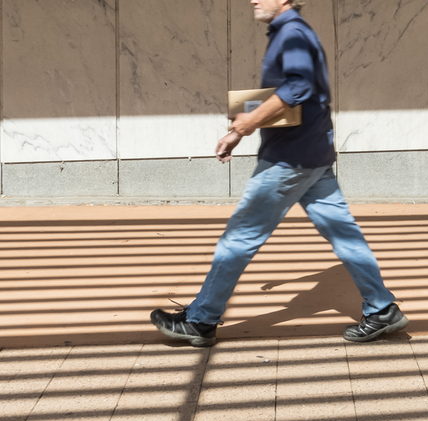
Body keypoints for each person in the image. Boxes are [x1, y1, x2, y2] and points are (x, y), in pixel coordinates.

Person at [151, 0, 408, 347]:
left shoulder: (293, 34)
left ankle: (201, 320)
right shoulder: (292, 32)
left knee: (239, 238)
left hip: (288, 162)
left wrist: (245, 125)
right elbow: (291, 93)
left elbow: (297, 88)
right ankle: (381, 309)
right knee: (345, 235)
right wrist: (240, 127)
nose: (253, 0)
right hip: (313, 156)